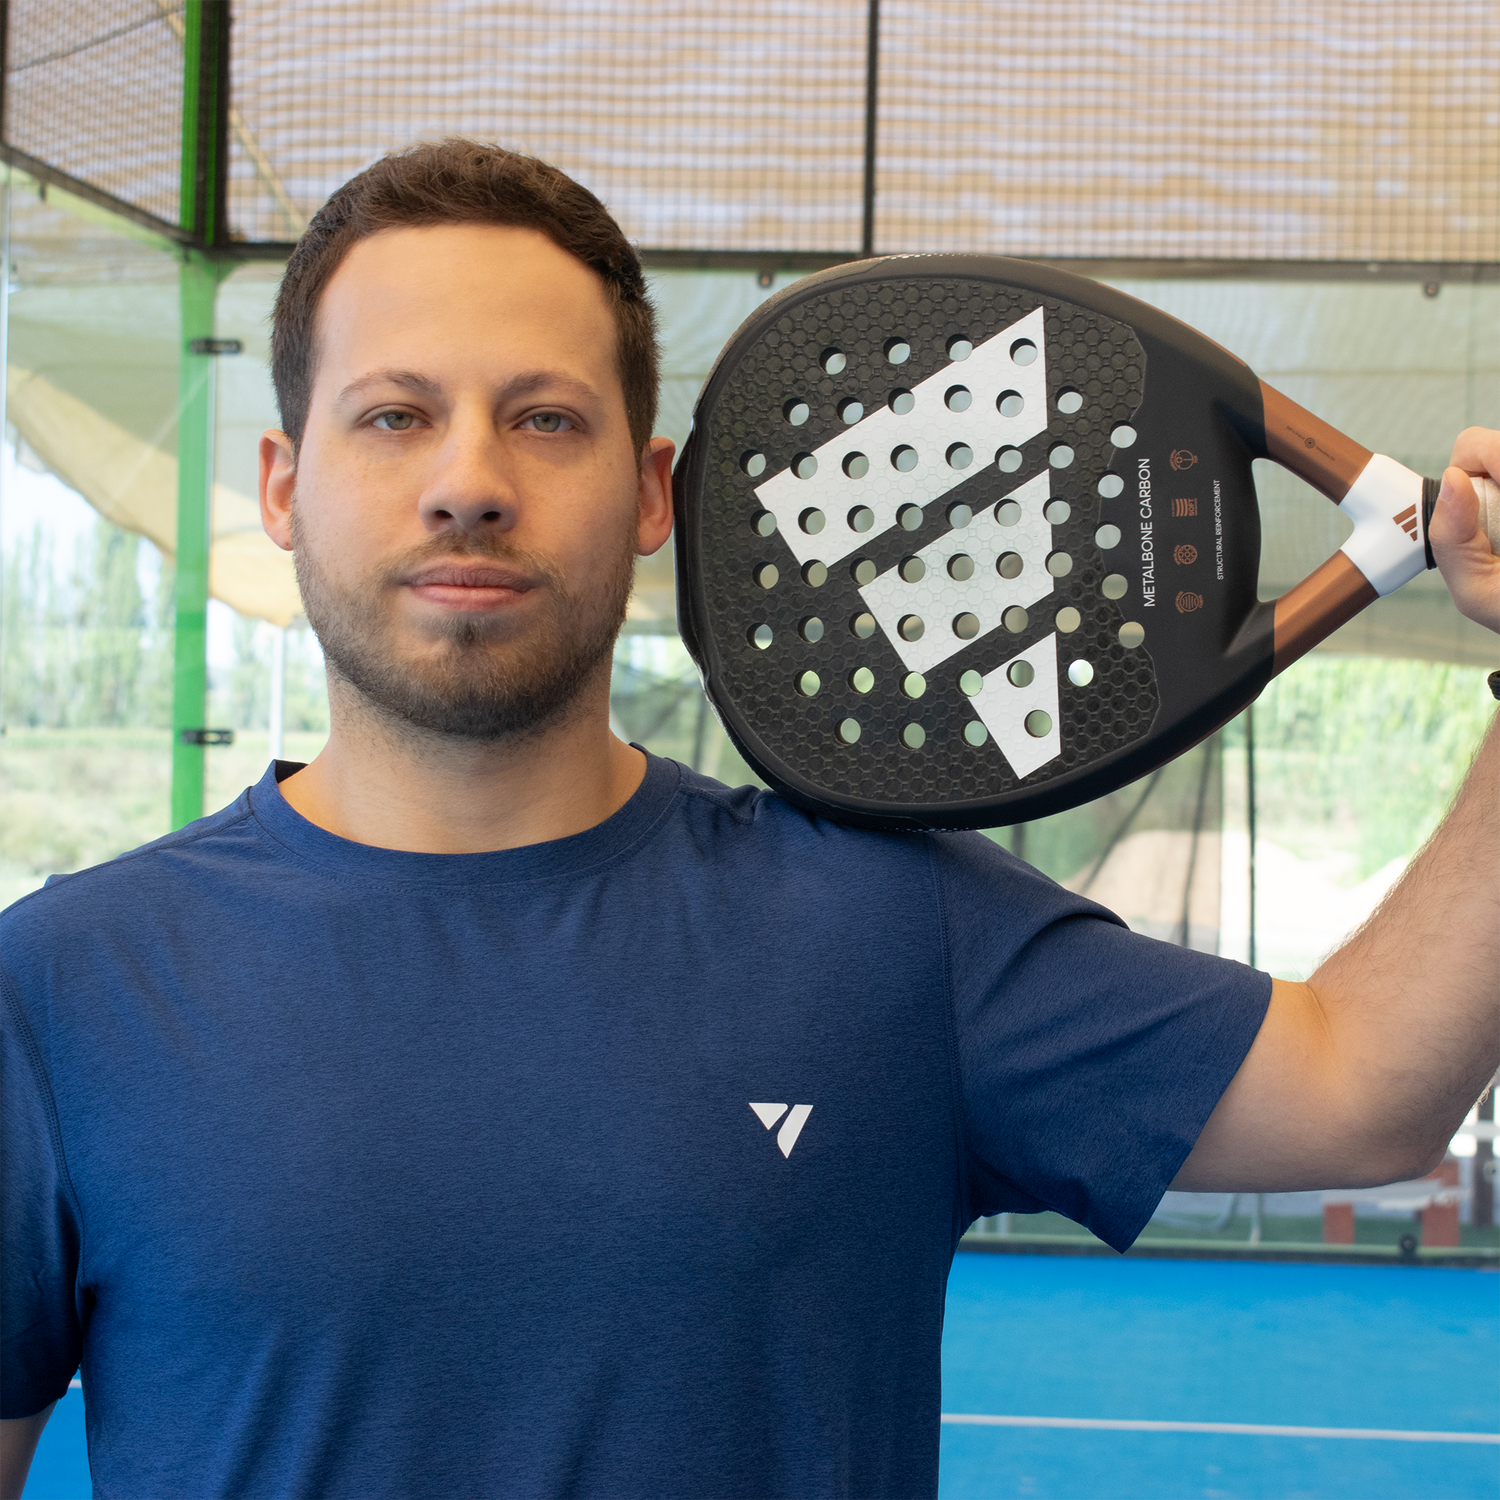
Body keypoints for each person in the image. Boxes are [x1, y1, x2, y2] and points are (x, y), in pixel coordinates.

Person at [2, 140, 1499, 1499]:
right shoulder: (61, 994)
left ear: (652, 492)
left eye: (545, 418)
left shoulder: (883, 923)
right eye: (394, 417)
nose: (468, 483)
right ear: (283, 486)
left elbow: (1362, 1082)